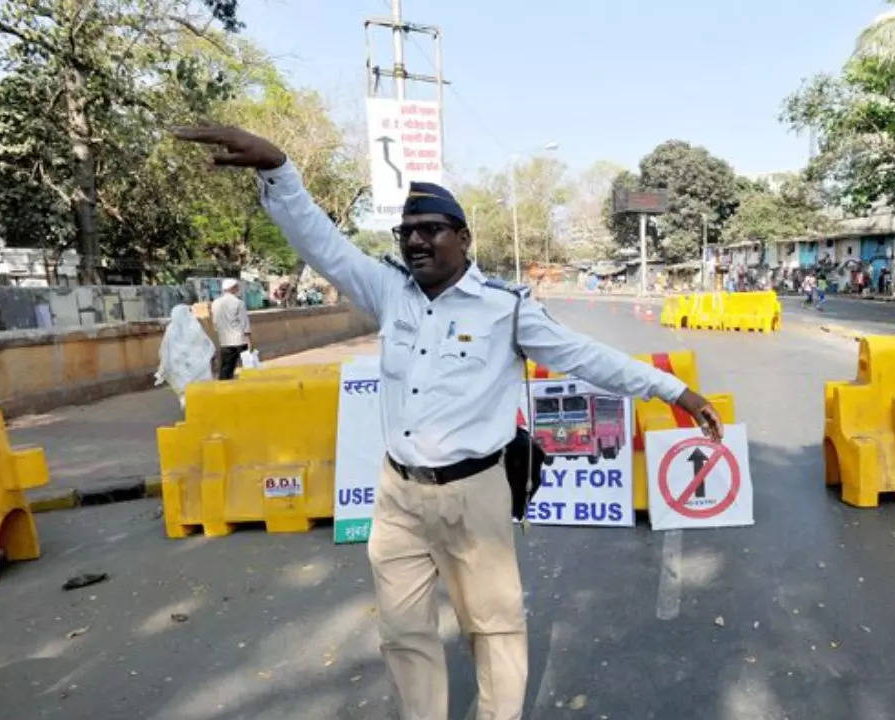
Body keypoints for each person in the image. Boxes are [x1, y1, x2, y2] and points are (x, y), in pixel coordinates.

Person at [175, 125, 724, 720]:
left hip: (475, 496)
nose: (415, 241)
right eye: (406, 231)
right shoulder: (390, 291)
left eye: (429, 230)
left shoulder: (505, 309)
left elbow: (587, 358)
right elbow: (322, 244)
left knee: (494, 630)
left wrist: (676, 391)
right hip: (398, 498)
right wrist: (280, 171)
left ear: (463, 237)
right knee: (404, 635)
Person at [154, 304, 215, 408]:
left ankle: (190, 405)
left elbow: (166, 347)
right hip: (196, 362)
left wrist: (166, 363)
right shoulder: (194, 326)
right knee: (200, 386)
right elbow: (204, 343)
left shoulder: (171, 329)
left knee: (184, 387)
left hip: (180, 363)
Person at [210, 278, 251, 380]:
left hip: (225, 341)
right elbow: (245, 324)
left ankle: (223, 390)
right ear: (233, 288)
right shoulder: (238, 303)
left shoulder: (215, 303)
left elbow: (215, 323)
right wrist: (250, 341)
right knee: (247, 367)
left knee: (226, 368)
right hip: (240, 340)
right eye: (237, 287)